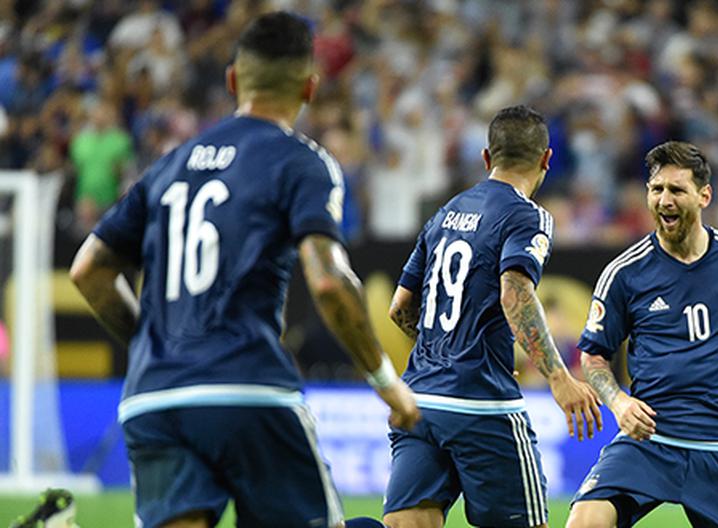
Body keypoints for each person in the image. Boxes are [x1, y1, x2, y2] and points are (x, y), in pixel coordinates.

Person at [69, 12, 419, 528]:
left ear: (233, 79)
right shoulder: (302, 162)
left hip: (154, 397)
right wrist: (387, 382)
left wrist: (153, 343)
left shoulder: (167, 165)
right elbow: (327, 279)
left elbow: (88, 271)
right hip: (248, 390)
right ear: (309, 87)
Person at [384, 104, 602, 528]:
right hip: (480, 405)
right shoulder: (527, 215)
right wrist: (559, 378)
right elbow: (515, 291)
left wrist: (441, 351)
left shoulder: (445, 214)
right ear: (546, 159)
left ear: (487, 157)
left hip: (420, 401)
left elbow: (399, 307)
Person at [566, 141, 718, 528]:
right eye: (656, 190)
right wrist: (618, 403)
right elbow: (594, 356)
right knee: (585, 522)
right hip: (650, 437)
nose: (664, 200)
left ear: (704, 196)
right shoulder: (625, 273)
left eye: (676, 190)